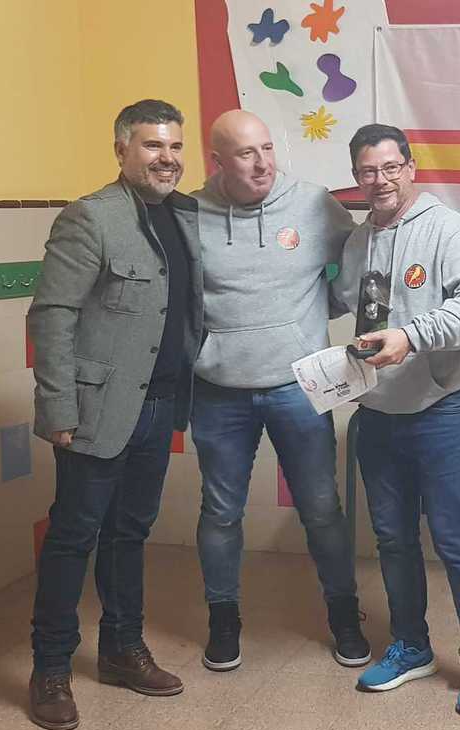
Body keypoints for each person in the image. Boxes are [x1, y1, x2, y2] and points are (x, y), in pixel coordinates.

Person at [27, 100, 203, 730]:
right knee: (74, 537)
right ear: (122, 150)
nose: (167, 158)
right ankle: (50, 668)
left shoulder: (185, 215)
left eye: (175, 146)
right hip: (95, 412)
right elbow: (52, 317)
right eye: (153, 146)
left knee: (130, 534)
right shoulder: (90, 217)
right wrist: (58, 408)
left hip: (159, 407)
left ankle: (122, 650)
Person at [331, 123, 460, 715]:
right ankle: (411, 646)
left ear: (410, 168)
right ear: (356, 179)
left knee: (455, 539)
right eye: (367, 171)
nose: (379, 180)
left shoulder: (447, 229)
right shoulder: (357, 242)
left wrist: (412, 335)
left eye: (390, 167)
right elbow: (347, 307)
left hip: (443, 407)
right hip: (377, 412)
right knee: (393, 539)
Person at [189, 109, 369, 671]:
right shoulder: (189, 213)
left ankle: (344, 616)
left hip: (299, 386)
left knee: (321, 509)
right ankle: (223, 621)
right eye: (246, 153)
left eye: (267, 148)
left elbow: (359, 260)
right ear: (217, 161)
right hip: (218, 390)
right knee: (221, 512)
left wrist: (320, 312)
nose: (262, 163)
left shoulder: (313, 203)